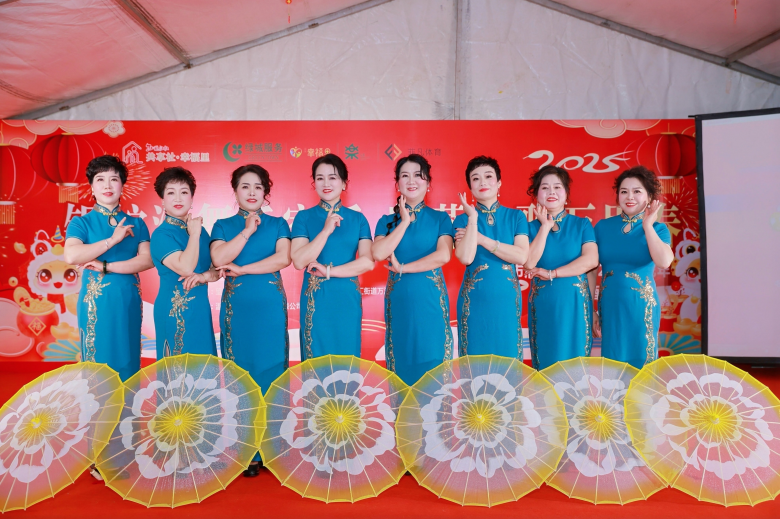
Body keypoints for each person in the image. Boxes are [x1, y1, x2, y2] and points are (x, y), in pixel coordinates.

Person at [210, 164, 292, 477]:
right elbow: (219, 259)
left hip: (270, 307)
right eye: (245, 186)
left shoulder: (278, 223)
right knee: (240, 372)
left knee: (272, 369)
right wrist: (246, 231)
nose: (252, 192)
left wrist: (243, 269)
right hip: (238, 309)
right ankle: (247, 450)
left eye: (258, 186)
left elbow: (283, 258)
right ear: (235, 191)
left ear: (266, 191)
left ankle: (272, 447)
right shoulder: (223, 225)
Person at [64, 155, 153, 380]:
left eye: (114, 179)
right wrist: (112, 240)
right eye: (100, 179)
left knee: (128, 360)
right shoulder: (81, 223)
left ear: (122, 186)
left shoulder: (137, 223)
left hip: (128, 298)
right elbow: (72, 255)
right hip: (96, 302)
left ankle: (129, 403)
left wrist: (106, 266)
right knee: (98, 365)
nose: (107, 185)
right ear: (92, 187)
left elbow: (147, 260)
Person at [372, 154, 454, 385]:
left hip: (431, 301)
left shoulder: (440, 219)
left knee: (433, 368)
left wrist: (403, 268)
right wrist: (405, 221)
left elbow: (443, 255)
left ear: (428, 183)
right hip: (400, 302)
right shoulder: (387, 221)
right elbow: (378, 252)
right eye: (404, 176)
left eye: (418, 175)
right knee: (402, 364)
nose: (411, 181)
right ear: (397, 183)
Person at [290, 154, 374, 359]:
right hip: (316, 300)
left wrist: (329, 271)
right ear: (314, 183)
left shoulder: (358, 219)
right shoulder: (304, 217)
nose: (326, 183)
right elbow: (299, 261)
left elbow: (367, 262)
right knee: (316, 362)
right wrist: (326, 231)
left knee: (347, 360)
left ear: (344, 183)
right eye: (320, 178)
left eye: (333, 177)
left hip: (346, 298)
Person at [590, 165, 673, 369]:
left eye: (637, 191)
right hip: (610, 306)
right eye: (624, 191)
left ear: (649, 196)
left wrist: (647, 225)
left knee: (642, 363)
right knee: (612, 365)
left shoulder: (658, 229)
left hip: (641, 306)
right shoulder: (602, 227)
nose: (630, 197)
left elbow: (664, 261)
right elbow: (591, 270)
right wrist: (591, 309)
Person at [453, 156, 529, 358]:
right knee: (474, 363)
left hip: (506, 299)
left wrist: (481, 239)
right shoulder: (462, 219)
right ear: (470, 186)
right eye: (475, 178)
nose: (482, 182)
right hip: (474, 301)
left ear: (499, 182)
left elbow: (521, 256)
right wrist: (473, 219)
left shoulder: (516, 217)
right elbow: (466, 258)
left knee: (508, 361)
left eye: (488, 176)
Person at [523, 166, 599, 370]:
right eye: (545, 187)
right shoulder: (528, 228)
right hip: (544, 303)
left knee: (576, 367)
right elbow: (529, 262)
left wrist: (552, 273)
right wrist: (545, 227)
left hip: (575, 303)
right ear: (536, 194)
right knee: (546, 363)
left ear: (566, 194)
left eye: (557, 187)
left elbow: (591, 260)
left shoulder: (582, 225)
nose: (551, 192)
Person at [150, 167, 220, 358]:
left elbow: (217, 269)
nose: (178, 198)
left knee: (204, 366)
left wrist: (204, 276)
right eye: (171, 193)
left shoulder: (201, 231)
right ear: (162, 200)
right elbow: (186, 268)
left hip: (200, 309)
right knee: (178, 368)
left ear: (191, 198)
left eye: (184, 192)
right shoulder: (161, 234)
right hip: (173, 311)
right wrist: (194, 234)